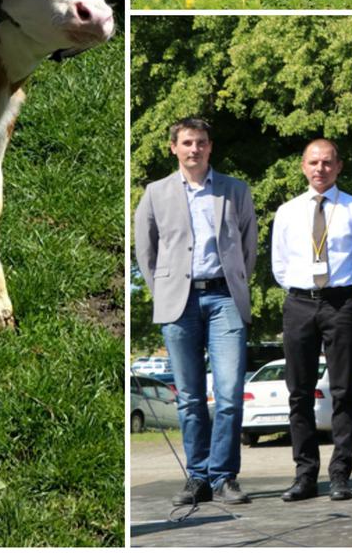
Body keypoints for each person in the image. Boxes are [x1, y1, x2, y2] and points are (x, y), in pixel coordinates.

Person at [135, 117, 257, 508]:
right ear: (173, 147)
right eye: (187, 142)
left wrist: (237, 284)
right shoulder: (155, 193)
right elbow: (146, 251)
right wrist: (164, 294)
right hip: (179, 301)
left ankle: (224, 476)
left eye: (201, 142)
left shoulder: (235, 190)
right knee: (188, 398)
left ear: (210, 147)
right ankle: (198, 476)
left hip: (224, 299)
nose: (194, 149)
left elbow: (248, 245)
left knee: (229, 395)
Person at [271, 139, 352, 503]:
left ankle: (341, 474)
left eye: (327, 163)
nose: (320, 169)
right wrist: (303, 293)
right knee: (298, 392)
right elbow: (279, 265)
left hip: (342, 303)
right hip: (299, 302)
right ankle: (305, 474)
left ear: (339, 166)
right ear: (303, 166)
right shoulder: (287, 211)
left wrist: (351, 299)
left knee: (343, 392)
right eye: (314, 163)